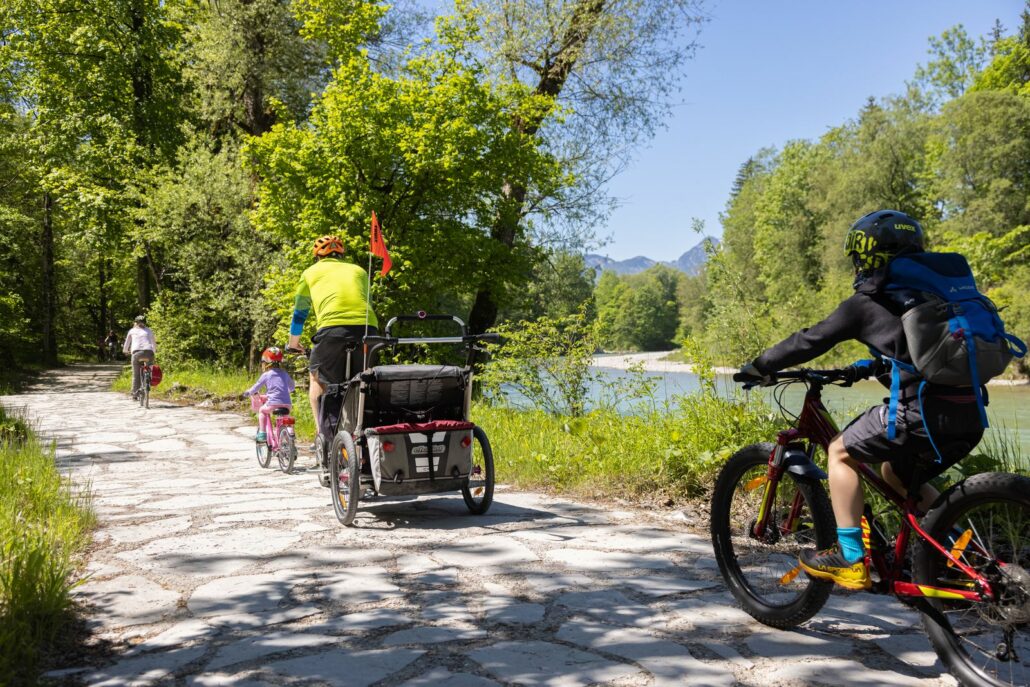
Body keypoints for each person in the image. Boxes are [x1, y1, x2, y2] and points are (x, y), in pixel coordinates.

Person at [736, 210, 986, 591]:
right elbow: (919, 354)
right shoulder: (934, 295)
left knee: (839, 451)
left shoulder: (868, 301)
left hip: (919, 416)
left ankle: (852, 558)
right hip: (970, 414)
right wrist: (869, 367)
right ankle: (959, 555)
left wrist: (760, 365)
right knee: (896, 473)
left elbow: (810, 340)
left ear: (866, 256)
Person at [286, 235, 378, 452]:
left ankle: (323, 439)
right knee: (364, 381)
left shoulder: (310, 273)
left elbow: (300, 313)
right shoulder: (359, 271)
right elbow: (369, 303)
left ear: (317, 256)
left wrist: (293, 343)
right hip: (368, 330)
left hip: (332, 330)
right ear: (341, 254)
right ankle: (364, 439)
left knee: (318, 378)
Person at [243, 347, 295, 443]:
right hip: (287, 404)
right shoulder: (284, 374)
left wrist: (248, 392)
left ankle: (262, 433)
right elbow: (292, 387)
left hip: (272, 404)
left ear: (266, 362)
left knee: (262, 410)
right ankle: (290, 440)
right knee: (286, 418)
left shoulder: (266, 375)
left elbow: (256, 387)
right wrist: (286, 391)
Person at [123, 315, 157, 400]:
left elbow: (127, 344)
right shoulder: (149, 330)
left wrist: (125, 351)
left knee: (136, 374)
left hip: (136, 354)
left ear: (136, 322)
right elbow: (154, 344)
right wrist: (154, 352)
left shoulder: (132, 331)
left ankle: (135, 394)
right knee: (149, 367)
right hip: (149, 353)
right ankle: (148, 380)